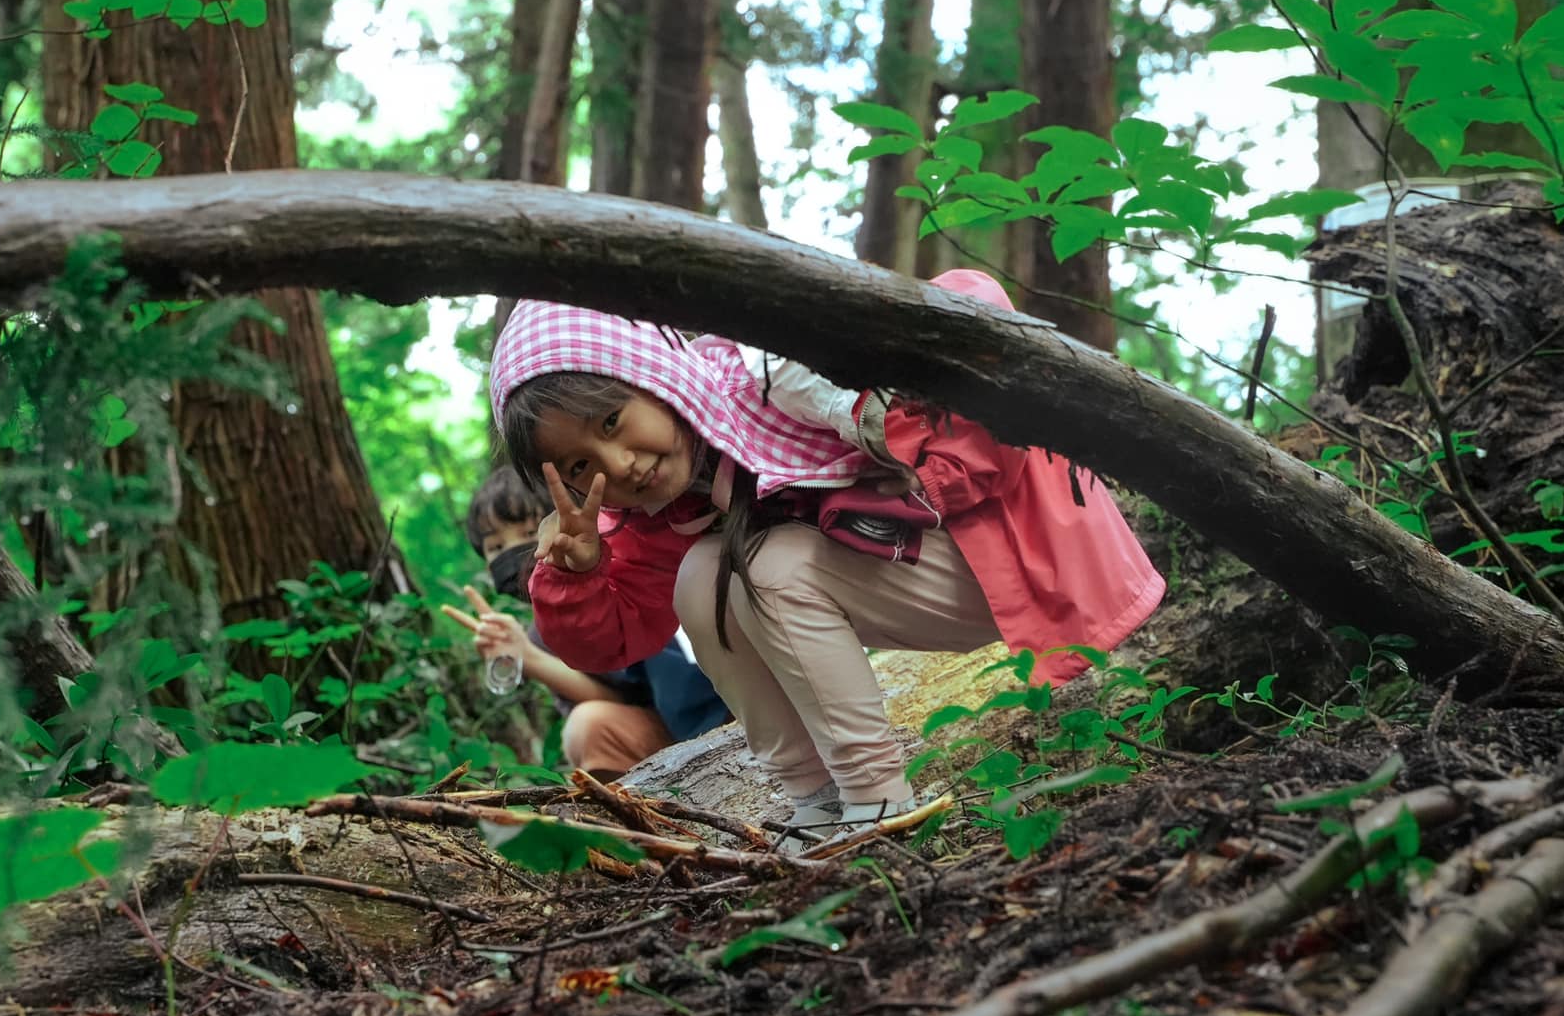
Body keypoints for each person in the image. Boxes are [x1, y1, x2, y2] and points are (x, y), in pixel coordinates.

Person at [487, 269, 1165, 848]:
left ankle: (878, 799)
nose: (619, 465)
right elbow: (614, 639)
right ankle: (815, 802)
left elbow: (984, 370)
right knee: (702, 575)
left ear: (655, 374)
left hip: (1012, 565)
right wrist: (578, 574)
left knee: (768, 563)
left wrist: (864, 412)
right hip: (915, 579)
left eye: (612, 422)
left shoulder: (774, 380)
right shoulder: (658, 509)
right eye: (580, 465)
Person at [443, 468, 731, 778]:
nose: (516, 552)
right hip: (671, 736)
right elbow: (619, 700)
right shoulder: (544, 635)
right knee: (587, 727)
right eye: (496, 548)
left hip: (732, 706)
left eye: (529, 533)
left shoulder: (632, 570)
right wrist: (525, 655)